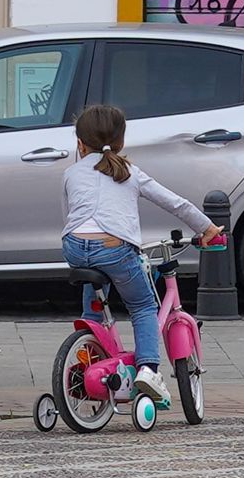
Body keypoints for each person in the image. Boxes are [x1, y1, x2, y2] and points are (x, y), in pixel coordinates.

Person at [61, 103, 223, 406]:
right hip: (114, 248)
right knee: (142, 305)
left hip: (74, 247)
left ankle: (87, 355)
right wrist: (208, 227)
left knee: (95, 298)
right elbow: (176, 203)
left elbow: (70, 215)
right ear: (121, 142)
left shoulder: (71, 173)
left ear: (79, 143)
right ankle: (148, 369)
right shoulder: (130, 173)